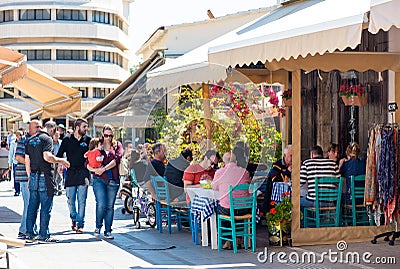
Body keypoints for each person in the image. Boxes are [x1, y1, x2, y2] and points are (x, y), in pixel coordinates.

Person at [25, 120, 70, 243]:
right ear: (53, 130)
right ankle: (43, 235)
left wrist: (30, 177)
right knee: (45, 207)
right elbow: (47, 156)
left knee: (32, 206)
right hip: (45, 176)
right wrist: (61, 160)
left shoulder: (30, 140)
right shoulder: (47, 139)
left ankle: (29, 234)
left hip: (33, 175)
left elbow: (27, 161)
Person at [87, 124, 123, 239]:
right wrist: (94, 170)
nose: (108, 138)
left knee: (109, 206)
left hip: (113, 179)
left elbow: (117, 159)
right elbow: (87, 160)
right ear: (102, 134)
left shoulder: (117, 145)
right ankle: (98, 226)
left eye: (110, 135)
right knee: (101, 203)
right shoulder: (97, 144)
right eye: (106, 135)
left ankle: (108, 230)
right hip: (99, 179)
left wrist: (104, 168)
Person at [56, 118, 91, 234]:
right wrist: (61, 164)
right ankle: (74, 218)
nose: (86, 129)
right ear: (77, 127)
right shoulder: (67, 139)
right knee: (70, 200)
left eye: (86, 127)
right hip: (70, 173)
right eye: (84, 127)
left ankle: (80, 224)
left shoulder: (88, 140)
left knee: (82, 200)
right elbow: (59, 155)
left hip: (83, 173)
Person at [211, 152, 251, 249]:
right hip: (244, 209)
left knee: (219, 208)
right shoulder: (244, 172)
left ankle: (228, 239)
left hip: (228, 209)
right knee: (235, 211)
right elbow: (248, 186)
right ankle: (237, 238)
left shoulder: (220, 172)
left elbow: (214, 187)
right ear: (236, 161)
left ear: (224, 162)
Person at [15, 120, 41, 239]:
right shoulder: (24, 140)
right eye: (36, 127)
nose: (39, 129)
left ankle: (31, 228)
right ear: (30, 128)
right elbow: (18, 157)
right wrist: (32, 163)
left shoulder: (38, 140)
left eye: (40, 127)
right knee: (29, 203)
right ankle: (24, 230)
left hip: (33, 176)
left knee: (32, 204)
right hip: (25, 177)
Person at [299, 145, 340, 221]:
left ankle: (306, 224)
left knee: (298, 201)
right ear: (322, 154)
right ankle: (321, 221)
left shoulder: (307, 163)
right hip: (330, 201)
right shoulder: (333, 164)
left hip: (314, 201)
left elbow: (300, 182)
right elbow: (338, 182)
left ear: (312, 154)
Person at [261, 144, 292, 213]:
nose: (293, 158)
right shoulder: (277, 165)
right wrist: (287, 171)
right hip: (275, 195)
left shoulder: (295, 164)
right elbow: (275, 180)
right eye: (291, 156)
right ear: (284, 156)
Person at [9, 131, 23, 196]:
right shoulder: (13, 143)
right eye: (17, 135)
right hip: (16, 162)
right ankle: (17, 190)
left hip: (23, 162)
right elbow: (11, 154)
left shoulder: (24, 142)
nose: (18, 136)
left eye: (20, 135)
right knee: (16, 177)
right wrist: (10, 164)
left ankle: (22, 189)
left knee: (23, 177)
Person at [53, 131, 63, 195]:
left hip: (60, 160)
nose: (56, 137)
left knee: (60, 175)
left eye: (57, 135)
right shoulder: (50, 142)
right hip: (53, 160)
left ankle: (59, 187)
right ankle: (54, 188)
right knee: (53, 175)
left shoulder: (61, 143)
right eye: (55, 135)